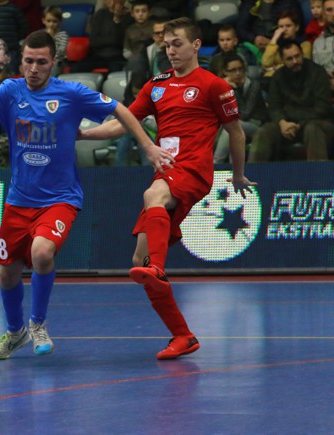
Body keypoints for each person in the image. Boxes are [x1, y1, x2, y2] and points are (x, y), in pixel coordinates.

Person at [0, 30, 165, 359]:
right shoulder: (9, 91)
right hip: (18, 200)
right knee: (7, 272)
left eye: (41, 62)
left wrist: (148, 146)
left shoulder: (71, 93)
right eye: (28, 61)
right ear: (21, 60)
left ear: (53, 62)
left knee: (42, 252)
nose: (33, 68)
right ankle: (16, 333)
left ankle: (38, 324)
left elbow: (120, 110)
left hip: (60, 198)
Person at [79, 17, 256, 360]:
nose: (171, 50)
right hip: (167, 170)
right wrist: (83, 134)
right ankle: (183, 335)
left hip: (193, 169)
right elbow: (122, 124)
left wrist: (237, 175)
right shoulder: (156, 85)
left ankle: (157, 267)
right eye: (166, 45)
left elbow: (236, 133)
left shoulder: (214, 85)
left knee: (153, 197)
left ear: (195, 45)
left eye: (177, 44)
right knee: (139, 259)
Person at [249, 40, 334, 161]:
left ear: (302, 54)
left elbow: (323, 108)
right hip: (286, 125)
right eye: (289, 59)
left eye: (297, 56)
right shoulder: (278, 76)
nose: (295, 61)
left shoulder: (318, 72)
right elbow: (274, 106)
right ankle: (253, 172)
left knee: (313, 129)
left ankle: (318, 172)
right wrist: (282, 122)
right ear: (283, 60)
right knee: (264, 131)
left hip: (317, 122)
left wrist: (298, 124)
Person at [214, 52, 268, 163]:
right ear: (225, 72)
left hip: (256, 126)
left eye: (240, 69)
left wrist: (233, 91)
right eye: (233, 70)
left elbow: (245, 113)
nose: (238, 73)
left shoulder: (253, 85)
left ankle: (216, 163)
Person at [70, 0, 130, 73]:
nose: (112, 2)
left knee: (116, 69)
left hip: (118, 56)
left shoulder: (129, 15)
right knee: (76, 68)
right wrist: (112, 40)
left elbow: (120, 41)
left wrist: (117, 19)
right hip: (98, 56)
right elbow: (93, 41)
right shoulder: (100, 14)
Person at [260, 11, 311, 81]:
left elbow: (301, 64)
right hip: (273, 79)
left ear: (297, 27)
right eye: (281, 27)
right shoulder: (276, 45)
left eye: (288, 26)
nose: (284, 30)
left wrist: (275, 68)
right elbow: (266, 63)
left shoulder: (304, 44)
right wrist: (274, 38)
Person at [236, 0, 304, 51]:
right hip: (255, 44)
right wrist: (254, 38)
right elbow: (241, 27)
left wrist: (274, 42)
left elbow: (296, 29)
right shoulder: (250, 2)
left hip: (282, 44)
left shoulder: (290, 3)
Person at [0, 0, 27, 74]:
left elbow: (23, 27)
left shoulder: (14, 9)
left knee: (11, 74)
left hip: (11, 51)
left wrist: (14, 38)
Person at [123, 1, 153, 65]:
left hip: (153, 56)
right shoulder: (129, 30)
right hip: (135, 59)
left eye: (144, 11)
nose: (140, 14)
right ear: (132, 14)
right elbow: (126, 50)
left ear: (149, 13)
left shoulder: (155, 27)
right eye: (137, 11)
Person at [312, 0, 334, 89]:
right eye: (329, 10)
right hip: (327, 89)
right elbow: (316, 73)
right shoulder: (317, 43)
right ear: (323, 14)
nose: (333, 13)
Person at [42, 5, 68, 76]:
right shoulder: (41, 34)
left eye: (54, 21)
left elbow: (61, 52)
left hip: (57, 61)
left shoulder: (63, 35)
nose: (51, 24)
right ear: (43, 21)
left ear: (60, 21)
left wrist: (50, 38)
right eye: (48, 21)